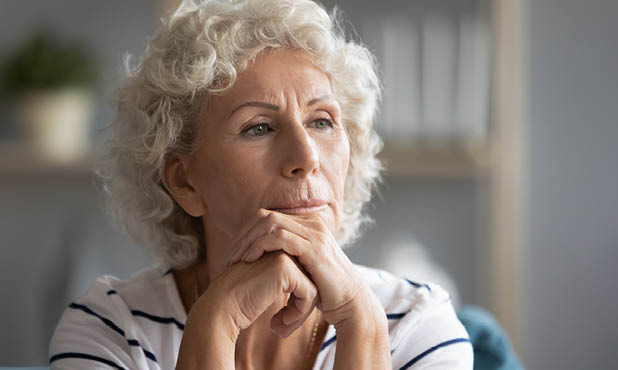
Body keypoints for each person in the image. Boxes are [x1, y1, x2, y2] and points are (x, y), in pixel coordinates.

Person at [48, 0, 473, 369]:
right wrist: (213, 325)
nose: (307, 158)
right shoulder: (111, 329)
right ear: (184, 182)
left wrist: (362, 325)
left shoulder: (416, 324)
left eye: (322, 121)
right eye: (259, 128)